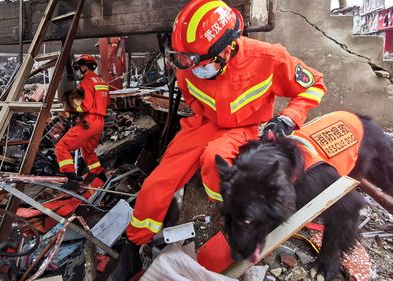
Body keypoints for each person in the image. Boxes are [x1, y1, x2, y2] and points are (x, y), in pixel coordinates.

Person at [126, 0, 327, 245]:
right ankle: (136, 240)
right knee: (156, 184)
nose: (194, 69)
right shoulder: (188, 64)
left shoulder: (269, 58)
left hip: (244, 127)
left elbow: (314, 85)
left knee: (214, 160)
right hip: (203, 123)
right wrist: (203, 116)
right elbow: (189, 93)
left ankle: (225, 212)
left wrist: (288, 118)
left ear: (226, 49)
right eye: (188, 62)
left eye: (201, 63)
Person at [54, 54, 110, 189]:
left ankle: (70, 179)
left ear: (83, 66)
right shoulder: (101, 81)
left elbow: (86, 105)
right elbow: (106, 102)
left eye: (79, 67)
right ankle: (101, 176)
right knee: (88, 152)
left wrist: (73, 109)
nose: (78, 70)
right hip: (100, 122)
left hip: (89, 121)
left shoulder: (87, 81)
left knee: (62, 147)